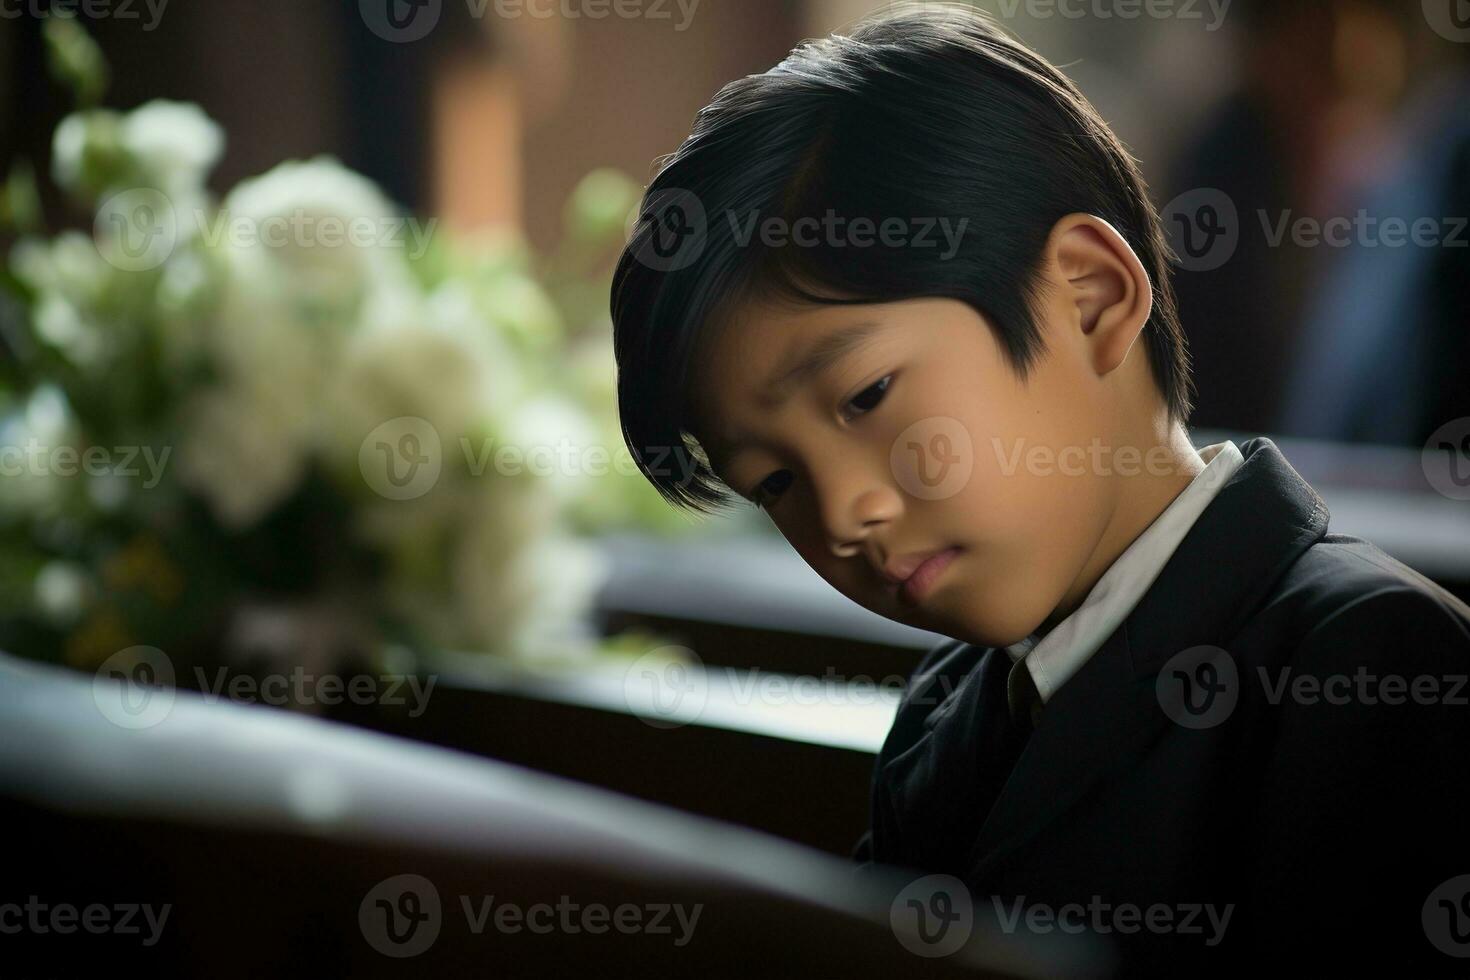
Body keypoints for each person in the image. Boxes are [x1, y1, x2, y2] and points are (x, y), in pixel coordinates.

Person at [608, 4, 1470, 973]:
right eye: (773, 480)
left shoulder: (1364, 656)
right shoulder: (948, 704)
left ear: (1089, 295)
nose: (843, 513)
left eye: (866, 394)